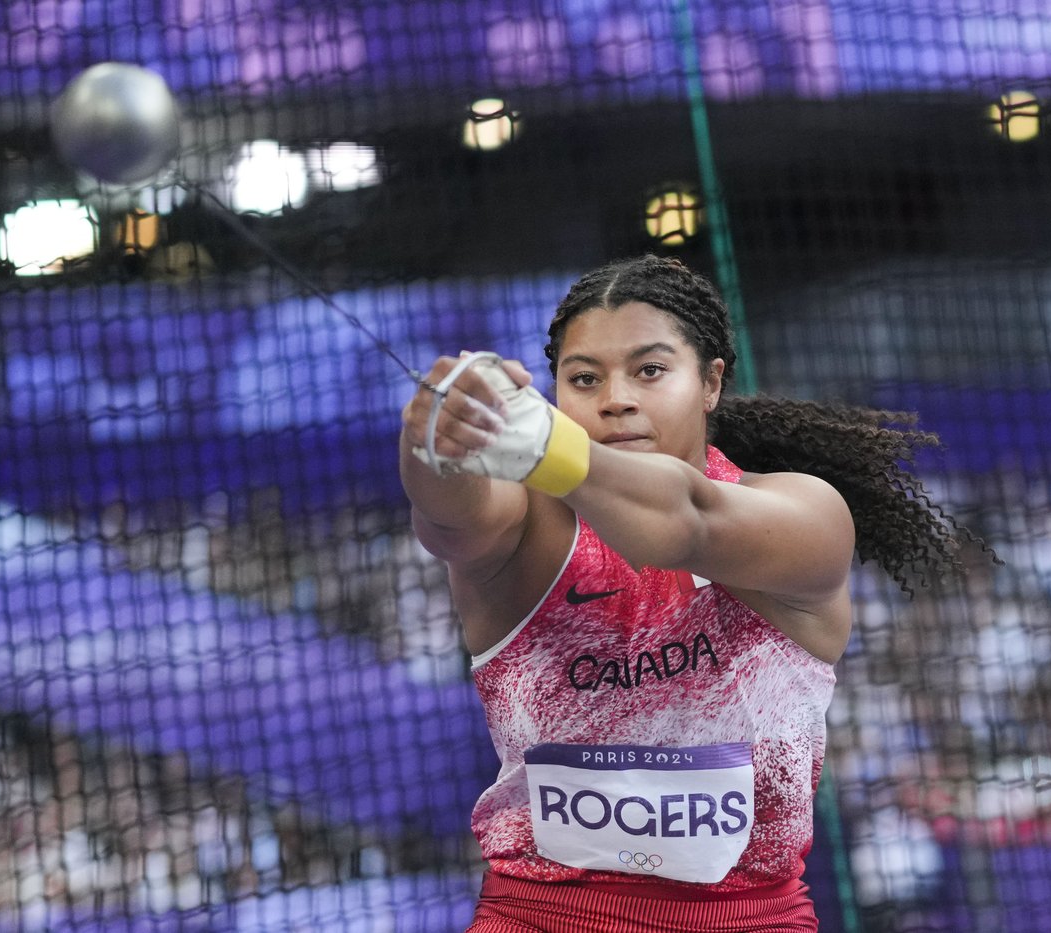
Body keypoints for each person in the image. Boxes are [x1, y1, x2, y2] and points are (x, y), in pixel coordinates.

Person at [398, 255, 986, 932]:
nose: (615, 398)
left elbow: (682, 522)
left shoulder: (803, 513)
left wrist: (549, 447)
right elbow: (448, 515)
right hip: (540, 916)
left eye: (649, 370)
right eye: (584, 378)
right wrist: (434, 444)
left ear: (710, 383)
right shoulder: (528, 522)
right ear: (555, 391)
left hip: (752, 918)